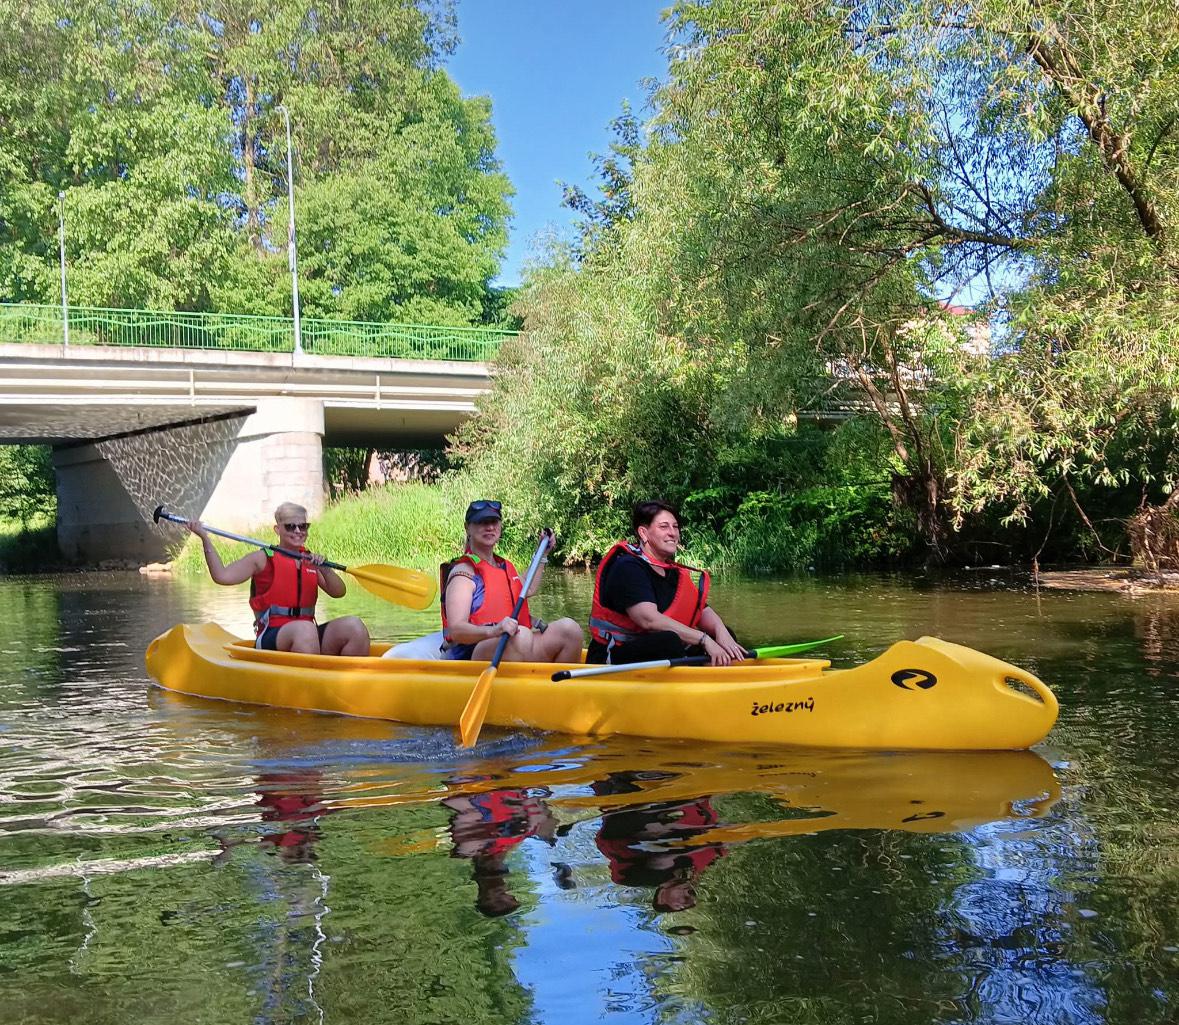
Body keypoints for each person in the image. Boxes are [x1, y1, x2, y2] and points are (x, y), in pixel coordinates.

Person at [186, 502, 370, 655]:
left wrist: (325, 569)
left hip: (307, 636)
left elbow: (339, 592)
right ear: (277, 529)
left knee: (354, 626)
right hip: (271, 635)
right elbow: (222, 576)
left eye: (303, 526)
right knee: (304, 629)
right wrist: (205, 539)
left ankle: (349, 682)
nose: (298, 531)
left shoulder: (309, 559)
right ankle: (309, 685)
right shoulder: (263, 558)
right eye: (291, 526)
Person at [587, 499, 744, 666]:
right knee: (668, 641)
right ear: (643, 533)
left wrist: (721, 631)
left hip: (657, 651)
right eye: (664, 527)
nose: (673, 533)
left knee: (726, 634)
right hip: (611, 656)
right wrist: (703, 639)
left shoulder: (671, 570)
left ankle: (713, 674)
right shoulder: (627, 566)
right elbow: (649, 620)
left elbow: (701, 610)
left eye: (675, 527)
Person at [440, 499, 583, 662]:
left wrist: (542, 553)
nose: (489, 527)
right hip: (474, 653)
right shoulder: (463, 574)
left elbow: (527, 589)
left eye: (494, 521)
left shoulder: (503, 566)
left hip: (515, 642)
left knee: (570, 630)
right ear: (468, 528)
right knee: (522, 637)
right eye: (481, 522)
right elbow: (457, 630)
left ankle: (557, 686)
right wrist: (494, 631)